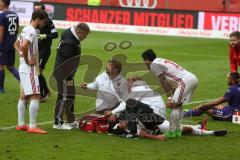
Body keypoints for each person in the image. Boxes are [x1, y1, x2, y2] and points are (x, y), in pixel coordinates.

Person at [108, 78, 227, 139]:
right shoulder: (131, 122)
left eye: (128, 83)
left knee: (174, 129)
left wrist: (112, 113)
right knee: (175, 129)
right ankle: (201, 128)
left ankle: (209, 132)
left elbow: (126, 105)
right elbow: (141, 133)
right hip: (152, 115)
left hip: (154, 115)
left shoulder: (138, 90)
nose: (127, 86)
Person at [141, 49, 198, 138]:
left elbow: (163, 82)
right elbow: (171, 83)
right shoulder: (160, 60)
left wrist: (169, 98)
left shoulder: (153, 65)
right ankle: (177, 131)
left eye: (144, 61)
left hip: (184, 81)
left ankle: (172, 131)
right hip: (191, 79)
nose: (144, 63)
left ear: (147, 60)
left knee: (174, 105)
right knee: (178, 106)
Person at [14, 10, 48, 134]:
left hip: (22, 67)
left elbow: (16, 45)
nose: (43, 25)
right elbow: (23, 45)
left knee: (23, 96)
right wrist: (28, 61)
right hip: (29, 69)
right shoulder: (32, 31)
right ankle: (32, 126)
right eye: (43, 22)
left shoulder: (25, 29)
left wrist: (23, 57)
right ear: (38, 19)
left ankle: (21, 124)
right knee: (36, 96)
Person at [53, 23, 90, 130]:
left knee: (70, 96)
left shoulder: (70, 33)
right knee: (63, 97)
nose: (85, 38)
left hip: (67, 72)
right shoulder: (70, 42)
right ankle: (58, 123)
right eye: (85, 35)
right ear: (79, 32)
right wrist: (69, 78)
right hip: (63, 73)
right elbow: (66, 62)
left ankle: (70, 120)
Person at [34, 2, 58, 102]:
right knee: (36, 72)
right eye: (35, 9)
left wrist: (45, 36)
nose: (36, 11)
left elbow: (55, 34)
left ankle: (45, 93)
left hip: (45, 49)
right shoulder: (34, 20)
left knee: (38, 71)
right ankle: (41, 92)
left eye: (38, 9)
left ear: (43, 10)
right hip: (36, 49)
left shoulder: (48, 21)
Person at [0, 0, 19, 93]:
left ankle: (1, 88)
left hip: (4, 44)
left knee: (1, 65)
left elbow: (1, 33)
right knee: (10, 66)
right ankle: (24, 83)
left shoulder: (2, 15)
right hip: (13, 43)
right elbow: (17, 30)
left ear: (3, 3)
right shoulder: (15, 15)